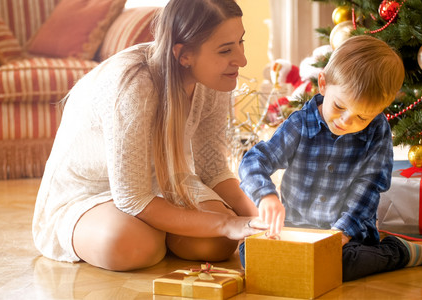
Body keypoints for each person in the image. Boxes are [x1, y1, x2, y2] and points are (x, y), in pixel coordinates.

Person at [32, 0, 267, 272]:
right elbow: (132, 198)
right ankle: (154, 230)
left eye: (240, 42)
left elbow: (213, 169)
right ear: (184, 55)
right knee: (132, 245)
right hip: (93, 190)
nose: (242, 59)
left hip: (164, 182)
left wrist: (259, 216)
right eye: (226, 49)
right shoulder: (133, 87)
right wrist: (226, 222)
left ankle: (163, 228)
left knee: (216, 245)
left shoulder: (215, 78)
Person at [238, 35, 422, 281]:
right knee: (250, 253)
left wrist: (342, 232)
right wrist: (266, 195)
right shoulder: (300, 124)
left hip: (348, 237)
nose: (346, 121)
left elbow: (369, 187)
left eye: (362, 117)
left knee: (342, 264)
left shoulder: (377, 130)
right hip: (296, 229)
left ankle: (398, 251)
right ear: (323, 83)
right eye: (340, 107)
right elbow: (253, 161)